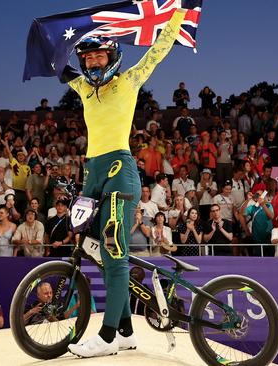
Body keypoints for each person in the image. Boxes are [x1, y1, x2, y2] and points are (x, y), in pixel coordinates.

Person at [66, 8, 187, 358]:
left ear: (113, 57)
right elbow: (56, 64)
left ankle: (105, 337)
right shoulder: (83, 88)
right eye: (87, 59)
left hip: (120, 171)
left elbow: (159, 49)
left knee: (114, 254)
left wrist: (177, 14)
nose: (91, 64)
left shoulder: (129, 81)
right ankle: (125, 330)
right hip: (93, 174)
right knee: (100, 253)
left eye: (98, 57)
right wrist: (48, 35)